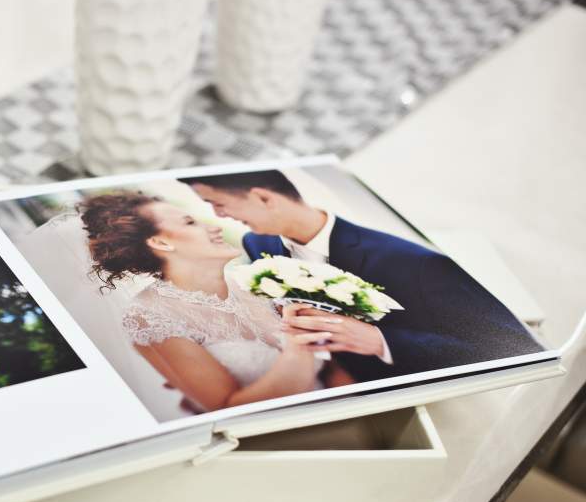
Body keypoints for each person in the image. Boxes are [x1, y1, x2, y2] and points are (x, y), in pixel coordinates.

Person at [179, 170, 543, 380]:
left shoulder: (413, 262)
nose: (220, 216)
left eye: (219, 204)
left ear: (263, 197)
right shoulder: (257, 243)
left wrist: (380, 341)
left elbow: (516, 350)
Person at [79, 192, 344, 413]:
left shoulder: (254, 280)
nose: (214, 227)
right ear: (160, 242)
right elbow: (228, 410)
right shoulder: (150, 317)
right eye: (190, 223)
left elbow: (332, 367)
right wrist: (301, 345)